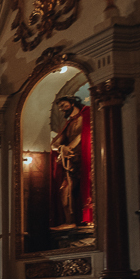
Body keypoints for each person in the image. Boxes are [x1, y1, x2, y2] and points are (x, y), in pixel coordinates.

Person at [50, 95, 90, 229]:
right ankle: (69, 220)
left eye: (64, 105)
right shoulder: (68, 123)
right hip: (70, 161)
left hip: (84, 159)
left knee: (86, 189)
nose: (62, 109)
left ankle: (87, 219)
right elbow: (55, 143)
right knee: (65, 191)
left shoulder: (86, 116)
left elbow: (82, 135)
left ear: (72, 103)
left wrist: (69, 147)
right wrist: (61, 147)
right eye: (60, 107)